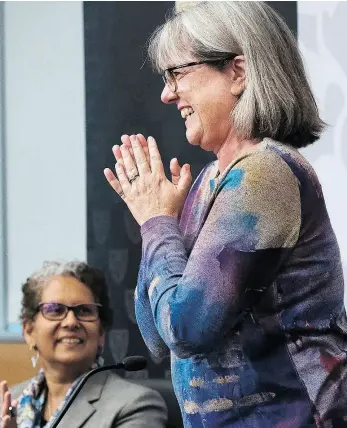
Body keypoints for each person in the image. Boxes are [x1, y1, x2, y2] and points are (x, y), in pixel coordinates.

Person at [103, 2, 347, 427]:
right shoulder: (210, 180)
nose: (167, 93)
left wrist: (157, 223)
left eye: (177, 73)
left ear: (237, 73)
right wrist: (159, 225)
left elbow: (187, 329)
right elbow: (158, 339)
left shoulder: (264, 172)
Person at [0, 260, 168, 428]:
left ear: (101, 332)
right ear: (29, 332)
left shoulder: (136, 405)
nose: (71, 322)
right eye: (54, 310)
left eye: (84, 311)